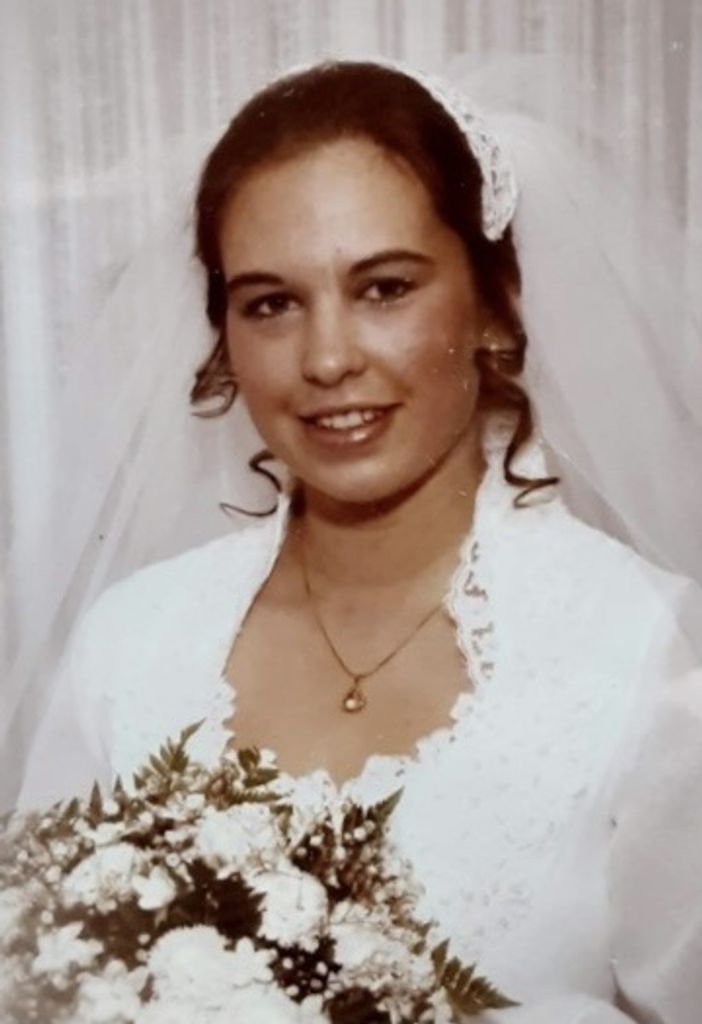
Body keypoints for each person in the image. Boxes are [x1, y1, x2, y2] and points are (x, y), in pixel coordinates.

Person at [17, 60, 702, 1022]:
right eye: (271, 303)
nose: (328, 358)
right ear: (223, 336)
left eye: (384, 288)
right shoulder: (128, 648)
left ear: (495, 304)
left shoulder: (649, 654)